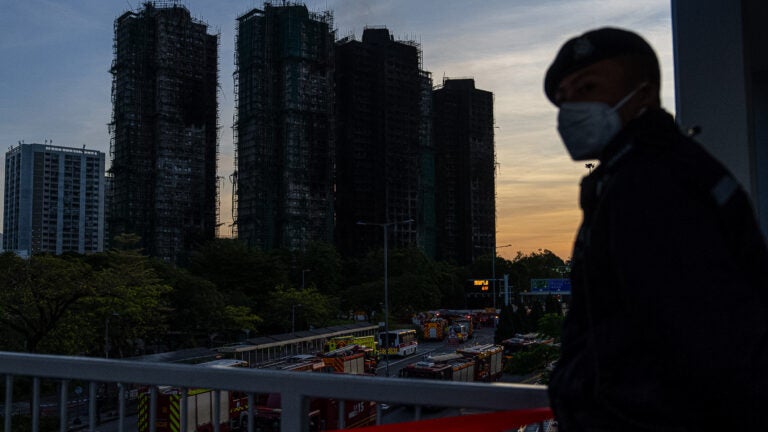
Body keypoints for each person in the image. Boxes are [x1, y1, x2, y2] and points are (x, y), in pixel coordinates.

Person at [543, 27, 768, 431]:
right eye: (563, 98)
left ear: (643, 93)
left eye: (588, 87)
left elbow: (694, 340)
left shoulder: (654, 183)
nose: (571, 107)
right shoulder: (644, 173)